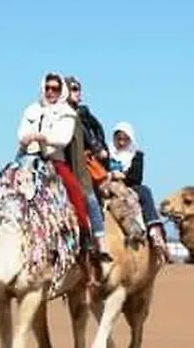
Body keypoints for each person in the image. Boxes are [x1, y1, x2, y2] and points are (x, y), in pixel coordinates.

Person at [16, 72, 110, 261]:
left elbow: (63, 138)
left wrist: (43, 137)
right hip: (28, 158)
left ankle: (89, 236)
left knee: (79, 193)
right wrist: (30, 138)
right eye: (48, 87)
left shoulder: (69, 113)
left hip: (56, 160)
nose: (51, 91)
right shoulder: (32, 110)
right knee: (5, 190)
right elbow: (22, 133)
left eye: (55, 88)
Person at [106, 121, 169, 260]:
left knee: (145, 191)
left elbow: (137, 177)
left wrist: (122, 176)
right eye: (119, 139)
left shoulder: (137, 155)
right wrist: (110, 175)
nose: (121, 142)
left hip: (129, 186)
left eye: (125, 139)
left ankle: (154, 230)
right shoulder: (106, 153)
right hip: (108, 185)